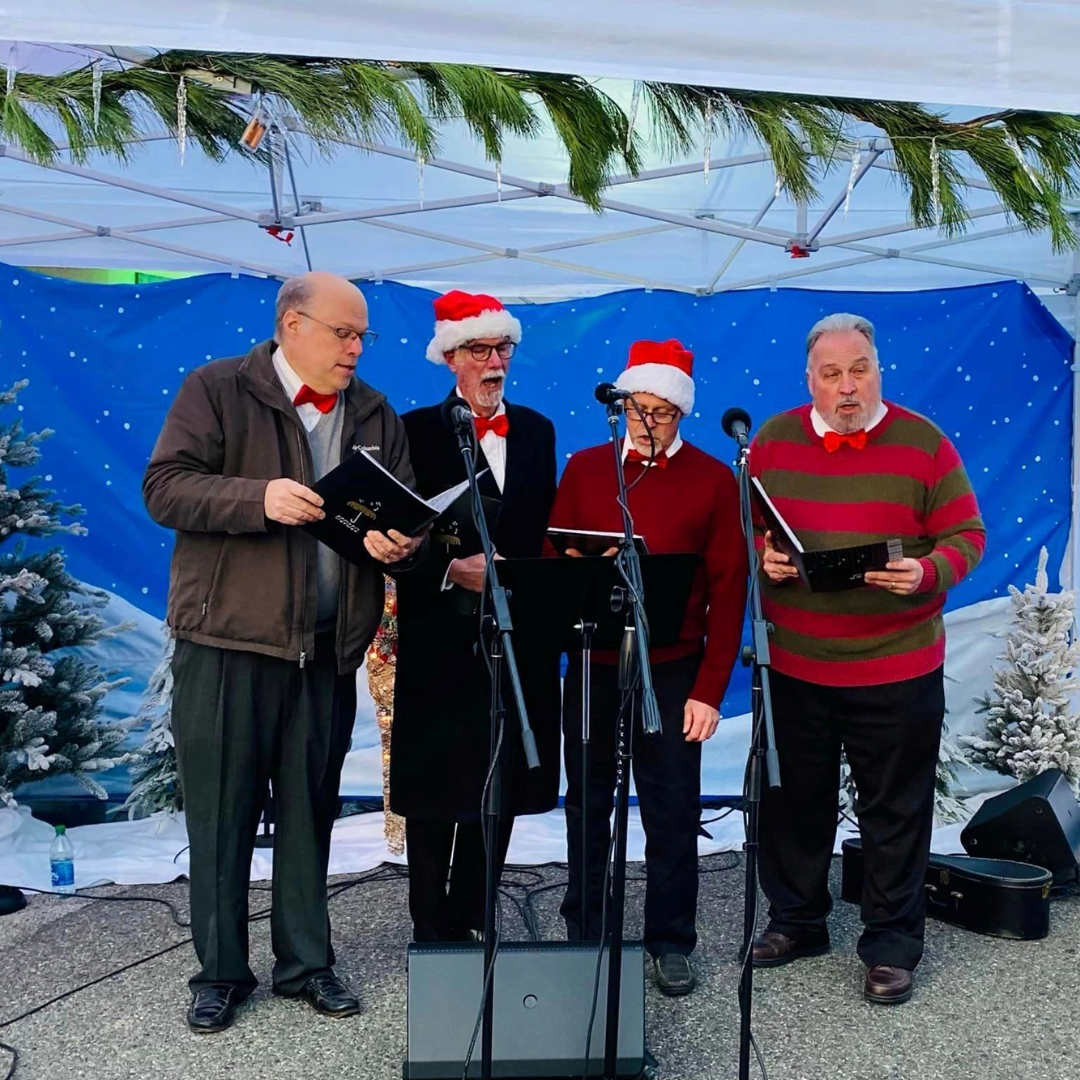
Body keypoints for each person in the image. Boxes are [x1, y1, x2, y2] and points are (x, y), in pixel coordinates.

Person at [143, 271, 424, 1033]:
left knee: (310, 814)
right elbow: (165, 488)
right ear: (292, 325)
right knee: (223, 815)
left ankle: (306, 963)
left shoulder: (373, 412)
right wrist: (256, 498)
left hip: (327, 652)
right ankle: (221, 972)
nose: (357, 348)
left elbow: (400, 512)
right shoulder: (216, 389)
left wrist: (399, 543)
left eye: (362, 334)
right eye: (344, 333)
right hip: (228, 643)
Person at [749, 312, 986, 1005]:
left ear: (878, 370)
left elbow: (967, 533)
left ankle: (890, 945)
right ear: (810, 381)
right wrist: (764, 558)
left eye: (860, 370)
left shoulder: (924, 443)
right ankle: (797, 922)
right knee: (794, 803)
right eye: (833, 374)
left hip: (898, 665)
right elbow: (751, 530)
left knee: (895, 810)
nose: (848, 386)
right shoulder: (771, 440)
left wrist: (928, 571)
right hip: (795, 664)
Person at [547, 339, 748, 996]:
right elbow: (553, 560)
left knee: (670, 807)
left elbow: (730, 587)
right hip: (595, 664)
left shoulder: (715, 481)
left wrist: (709, 690)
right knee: (587, 804)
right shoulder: (584, 469)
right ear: (623, 404)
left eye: (662, 411)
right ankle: (586, 933)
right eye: (638, 408)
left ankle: (670, 940)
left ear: (681, 412)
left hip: (672, 668)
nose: (648, 421)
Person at [389, 290, 561, 942]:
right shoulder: (413, 431)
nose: (495, 362)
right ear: (451, 358)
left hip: (519, 635)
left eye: (502, 349)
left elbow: (542, 523)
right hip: (440, 636)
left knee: (503, 778)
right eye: (480, 350)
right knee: (437, 787)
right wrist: (444, 564)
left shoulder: (539, 431)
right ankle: (431, 927)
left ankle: (477, 914)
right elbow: (392, 527)